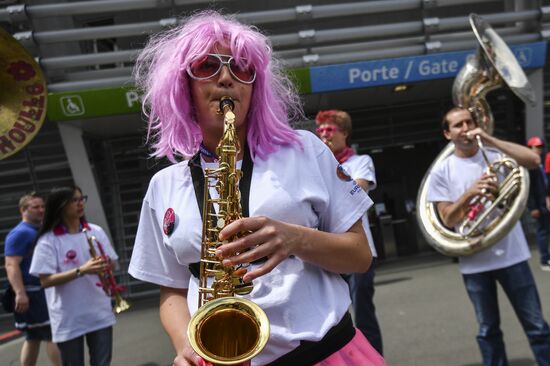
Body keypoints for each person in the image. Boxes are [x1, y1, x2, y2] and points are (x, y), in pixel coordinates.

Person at [128, 11, 385, 366]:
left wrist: (296, 239)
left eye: (242, 67)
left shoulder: (305, 149)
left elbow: (360, 256)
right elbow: (171, 289)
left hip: (326, 354)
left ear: (255, 85)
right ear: (181, 85)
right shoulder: (164, 186)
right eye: (206, 65)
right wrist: (185, 345)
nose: (226, 78)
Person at [427, 106, 550, 365]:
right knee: (488, 331)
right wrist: (471, 192)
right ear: (447, 134)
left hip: (512, 255)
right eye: (458, 125)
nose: (465, 128)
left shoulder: (495, 155)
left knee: (537, 325)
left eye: (469, 122)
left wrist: (490, 138)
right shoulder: (441, 171)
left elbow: (534, 160)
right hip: (474, 261)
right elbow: (448, 218)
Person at [315, 109, 384, 355]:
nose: (324, 136)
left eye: (329, 131)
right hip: (328, 253)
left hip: (359, 250)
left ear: (344, 133)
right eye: (320, 131)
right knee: (335, 321)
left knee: (364, 314)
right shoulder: (317, 165)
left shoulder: (360, 162)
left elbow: (359, 193)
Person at [29, 186, 119, 366]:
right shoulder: (48, 240)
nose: (80, 204)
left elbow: (114, 263)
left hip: (99, 312)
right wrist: (81, 270)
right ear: (61, 205)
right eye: (74, 200)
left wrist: (106, 265)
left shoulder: (95, 231)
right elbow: (45, 281)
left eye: (81, 199)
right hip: (68, 318)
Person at [4, 192, 62, 366]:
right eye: (35, 207)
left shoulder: (38, 230)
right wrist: (20, 293)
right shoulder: (20, 233)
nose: (41, 210)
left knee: (33, 336)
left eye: (43, 206)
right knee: (53, 333)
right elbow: (11, 265)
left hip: (39, 291)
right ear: (23, 210)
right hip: (33, 293)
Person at [526, 136, 550, 271]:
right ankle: (544, 260)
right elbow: (529, 189)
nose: (540, 150)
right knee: (542, 231)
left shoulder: (542, 162)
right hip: (539, 204)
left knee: (546, 230)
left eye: (541, 147)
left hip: (545, 201)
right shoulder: (530, 166)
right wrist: (533, 207)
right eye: (537, 147)